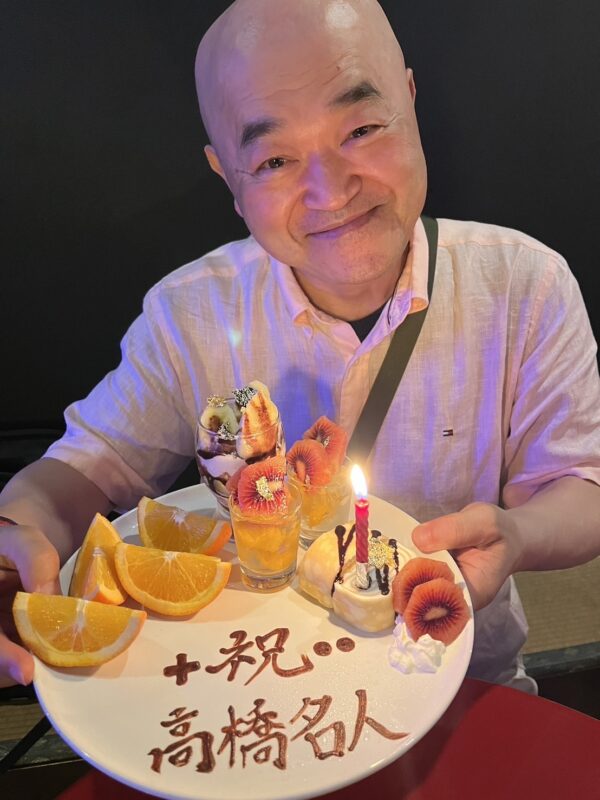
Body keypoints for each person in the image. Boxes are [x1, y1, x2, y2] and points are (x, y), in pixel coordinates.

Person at [1, 0, 600, 691]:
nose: (331, 190)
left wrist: (518, 534)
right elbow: (83, 471)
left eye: (362, 129)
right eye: (275, 159)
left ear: (409, 101)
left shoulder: (525, 284)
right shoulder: (188, 313)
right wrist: (20, 532)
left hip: (463, 680)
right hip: (259, 699)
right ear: (227, 176)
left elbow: (578, 486)